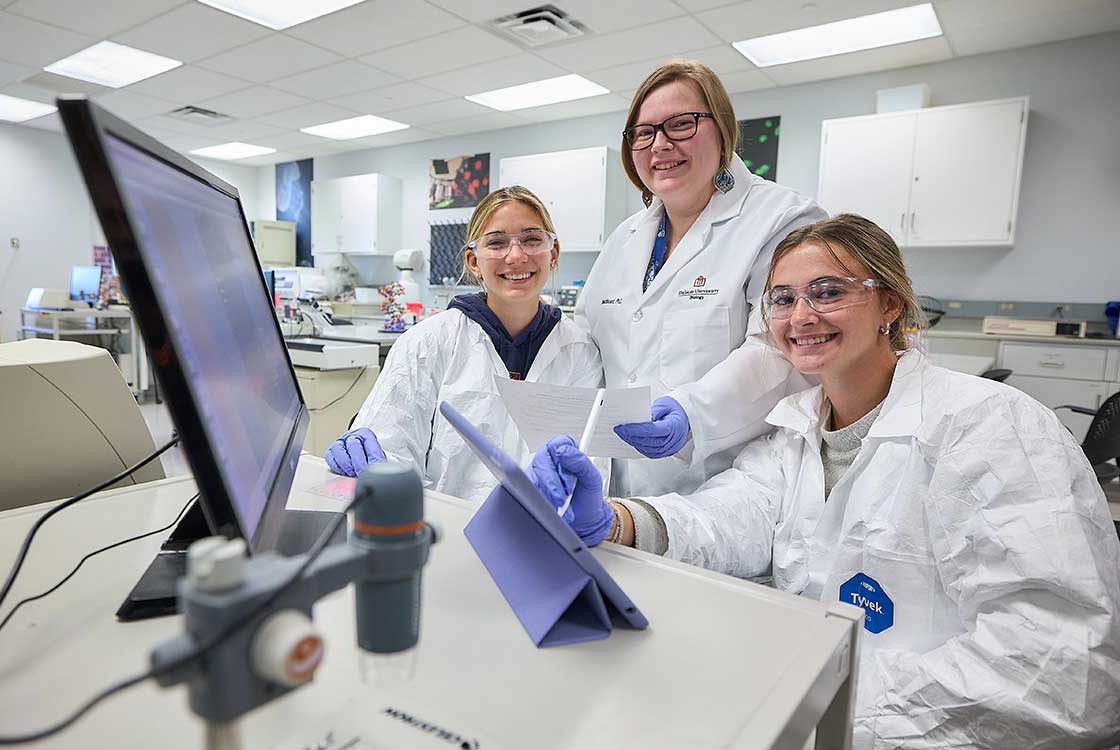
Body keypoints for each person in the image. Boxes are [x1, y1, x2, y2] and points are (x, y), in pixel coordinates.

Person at [528, 214, 1120, 747]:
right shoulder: (794, 430)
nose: (801, 316)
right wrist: (617, 519)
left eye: (829, 292)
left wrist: (817, 704)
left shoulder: (990, 427)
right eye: (781, 300)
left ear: (891, 305)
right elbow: (733, 515)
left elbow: (1064, 673)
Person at [576, 59, 826, 497]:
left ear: (722, 129)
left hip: (727, 483)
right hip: (618, 486)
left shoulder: (783, 220)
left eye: (681, 124)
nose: (660, 145)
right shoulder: (625, 238)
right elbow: (586, 338)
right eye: (644, 132)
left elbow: (780, 348)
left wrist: (691, 412)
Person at [324, 186, 603, 503]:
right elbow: (388, 454)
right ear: (473, 261)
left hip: (546, 534)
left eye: (532, 240)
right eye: (496, 243)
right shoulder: (426, 342)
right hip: (443, 532)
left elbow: (589, 467)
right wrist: (369, 458)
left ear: (552, 254)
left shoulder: (580, 352)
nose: (516, 255)